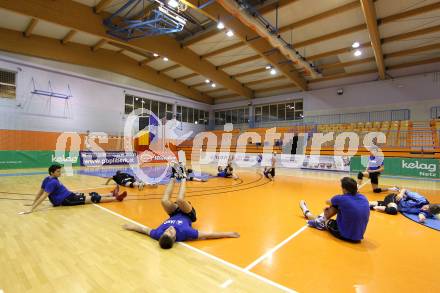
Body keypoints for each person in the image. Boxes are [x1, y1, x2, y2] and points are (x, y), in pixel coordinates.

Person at [123, 175, 239, 249]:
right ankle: (183, 177)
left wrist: (130, 227)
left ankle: (173, 176)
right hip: (188, 213)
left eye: (166, 231)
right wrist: (229, 234)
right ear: (174, 238)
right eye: (170, 232)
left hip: (174, 212)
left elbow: (144, 230)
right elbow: (207, 235)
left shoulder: (158, 234)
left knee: (164, 201)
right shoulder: (185, 232)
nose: (168, 229)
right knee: (179, 199)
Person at [20, 164, 127, 214]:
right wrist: (32, 209)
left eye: (60, 171)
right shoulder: (51, 182)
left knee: (90, 194)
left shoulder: (47, 179)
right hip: (66, 200)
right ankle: (116, 198)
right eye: (58, 171)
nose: (60, 173)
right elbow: (43, 195)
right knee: (93, 198)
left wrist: (32, 204)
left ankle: (110, 194)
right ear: (52, 172)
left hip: (69, 195)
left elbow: (39, 192)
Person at [299, 177, 370, 243]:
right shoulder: (363, 197)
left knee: (324, 220)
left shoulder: (340, 199)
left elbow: (327, 202)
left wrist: (333, 206)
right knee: (338, 206)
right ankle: (321, 219)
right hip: (358, 236)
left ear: (344, 189)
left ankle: (307, 213)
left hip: (345, 235)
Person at [369, 188, 440, 223]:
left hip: (394, 204)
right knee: (393, 210)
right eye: (426, 208)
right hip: (394, 198)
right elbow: (404, 189)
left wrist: (421, 218)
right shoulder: (420, 199)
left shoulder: (428, 212)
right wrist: (401, 194)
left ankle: (371, 206)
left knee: (368, 204)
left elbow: (422, 214)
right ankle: (376, 207)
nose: (424, 209)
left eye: (427, 211)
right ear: (429, 204)